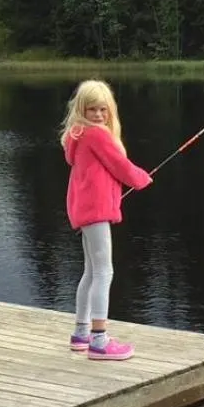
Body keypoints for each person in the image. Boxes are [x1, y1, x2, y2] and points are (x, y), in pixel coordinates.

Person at [61, 79, 153, 361]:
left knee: (91, 272)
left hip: (85, 211)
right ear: (81, 110)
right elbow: (120, 166)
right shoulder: (97, 136)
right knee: (104, 272)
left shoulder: (78, 136)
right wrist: (142, 179)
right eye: (92, 110)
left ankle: (81, 334)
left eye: (103, 109)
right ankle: (99, 341)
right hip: (96, 212)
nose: (99, 115)